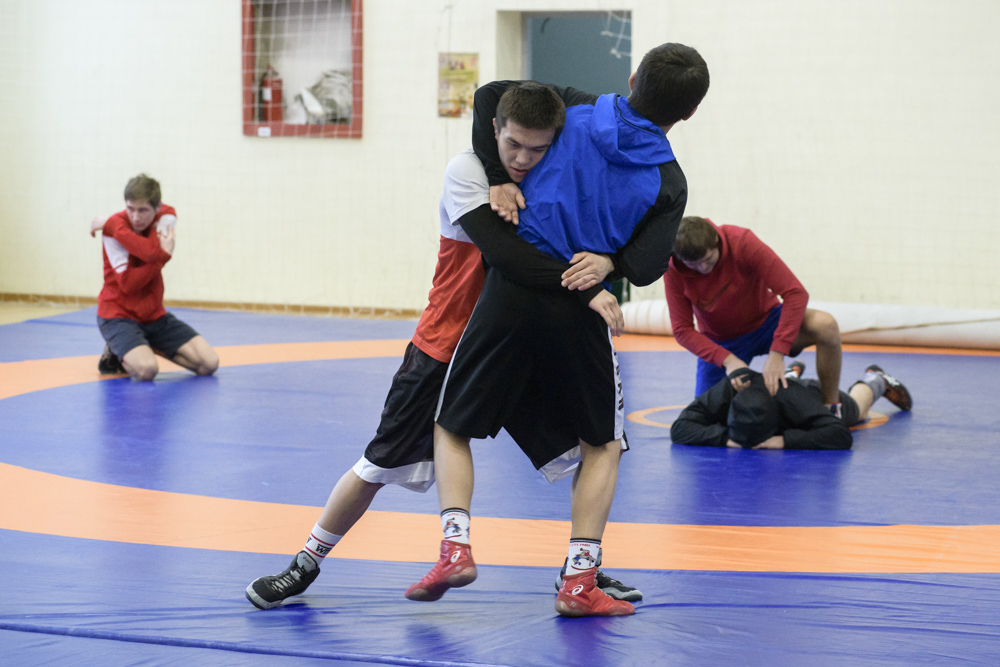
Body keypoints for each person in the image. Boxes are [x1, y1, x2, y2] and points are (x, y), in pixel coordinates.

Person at [245, 83, 640, 611]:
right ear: (494, 131)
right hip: (448, 343)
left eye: (537, 148)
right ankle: (305, 562)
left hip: (521, 345)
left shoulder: (553, 171)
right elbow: (505, 255)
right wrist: (588, 282)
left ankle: (580, 570)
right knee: (377, 465)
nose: (523, 159)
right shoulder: (467, 172)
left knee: (596, 448)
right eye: (513, 146)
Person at [407, 43, 709, 617]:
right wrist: (612, 262)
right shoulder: (669, 181)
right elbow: (649, 266)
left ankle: (455, 546)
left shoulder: (575, 108)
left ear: (632, 78)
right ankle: (578, 581)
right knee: (603, 446)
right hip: (582, 304)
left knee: (452, 425)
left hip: (511, 293)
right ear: (689, 113)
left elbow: (489, 97)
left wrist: (498, 175)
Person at [664, 215, 844, 412]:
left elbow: (795, 292)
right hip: (722, 342)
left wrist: (778, 352)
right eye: (693, 265)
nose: (703, 268)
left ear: (716, 240)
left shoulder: (741, 242)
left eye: (708, 259)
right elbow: (681, 330)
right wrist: (728, 360)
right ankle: (792, 375)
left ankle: (832, 406)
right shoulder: (672, 268)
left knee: (825, 325)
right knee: (708, 414)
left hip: (767, 323)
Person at [91, 174, 218, 382]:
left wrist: (114, 227)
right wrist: (161, 257)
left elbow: (152, 249)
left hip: (153, 315)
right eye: (130, 209)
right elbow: (128, 284)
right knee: (146, 370)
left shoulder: (165, 217)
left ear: (157, 208)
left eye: (143, 210)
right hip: (117, 314)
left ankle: (143, 344)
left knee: (209, 363)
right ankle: (116, 351)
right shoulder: (112, 230)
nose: (135, 217)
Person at [670, 362, 913, 449]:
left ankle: (876, 379)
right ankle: (789, 372)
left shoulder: (797, 401)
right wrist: (726, 438)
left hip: (809, 392)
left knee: (856, 411)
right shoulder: (732, 387)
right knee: (782, 382)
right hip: (776, 387)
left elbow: (839, 434)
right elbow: (680, 428)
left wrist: (785, 440)